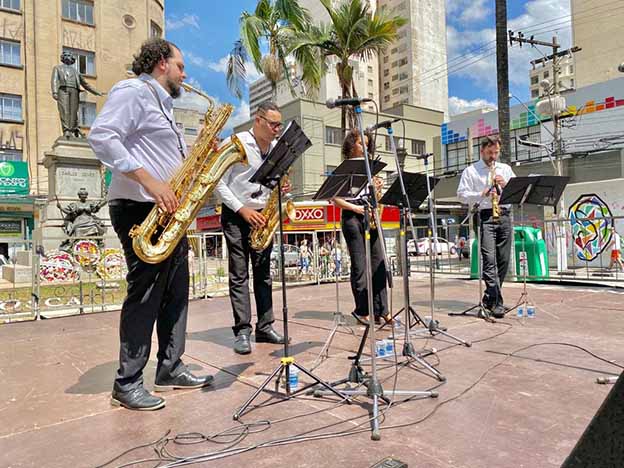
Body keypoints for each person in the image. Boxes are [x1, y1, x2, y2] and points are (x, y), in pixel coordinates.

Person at [88, 38, 213, 411]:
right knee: (145, 292)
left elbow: (160, 153)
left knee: (176, 289)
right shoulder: (133, 91)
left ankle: (170, 366)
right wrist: (151, 181)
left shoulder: (161, 103)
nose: (184, 73)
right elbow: (102, 137)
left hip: (166, 209)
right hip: (139, 206)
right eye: (180, 65)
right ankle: (126, 382)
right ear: (161, 63)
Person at [215, 101, 289, 355]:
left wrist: (281, 187)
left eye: (279, 124)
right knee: (239, 274)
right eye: (273, 124)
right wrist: (241, 209)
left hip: (262, 214)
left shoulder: (278, 148)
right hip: (237, 213)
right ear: (258, 121)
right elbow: (218, 182)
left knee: (263, 273)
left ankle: (265, 327)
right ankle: (243, 331)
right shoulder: (234, 143)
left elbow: (270, 183)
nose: (277, 129)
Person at [332, 129, 390, 325]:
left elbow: (373, 195)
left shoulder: (370, 167)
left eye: (367, 144)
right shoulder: (344, 167)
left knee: (379, 262)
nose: (365, 147)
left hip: (370, 215)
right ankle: (362, 310)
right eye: (360, 144)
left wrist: (378, 186)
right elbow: (335, 198)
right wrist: (356, 208)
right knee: (360, 266)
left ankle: (382, 310)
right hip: (352, 216)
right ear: (351, 146)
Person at [457, 136, 516, 318]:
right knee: (489, 259)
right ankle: (497, 302)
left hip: (504, 215)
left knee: (504, 260)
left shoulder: (505, 169)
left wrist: (505, 185)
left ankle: (490, 298)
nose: (493, 156)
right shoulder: (471, 171)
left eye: (496, 152)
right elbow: (461, 195)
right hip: (485, 216)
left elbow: (516, 191)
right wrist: (480, 193)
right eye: (490, 153)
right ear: (482, 151)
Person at [51, 51, 103, 139]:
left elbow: (85, 84)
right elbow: (54, 80)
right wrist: (55, 92)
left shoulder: (75, 71)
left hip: (74, 90)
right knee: (64, 110)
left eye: (69, 55)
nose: (67, 57)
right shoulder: (57, 68)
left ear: (72, 59)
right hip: (63, 90)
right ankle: (66, 130)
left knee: (73, 112)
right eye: (66, 55)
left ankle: (73, 130)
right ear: (63, 58)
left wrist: (97, 92)